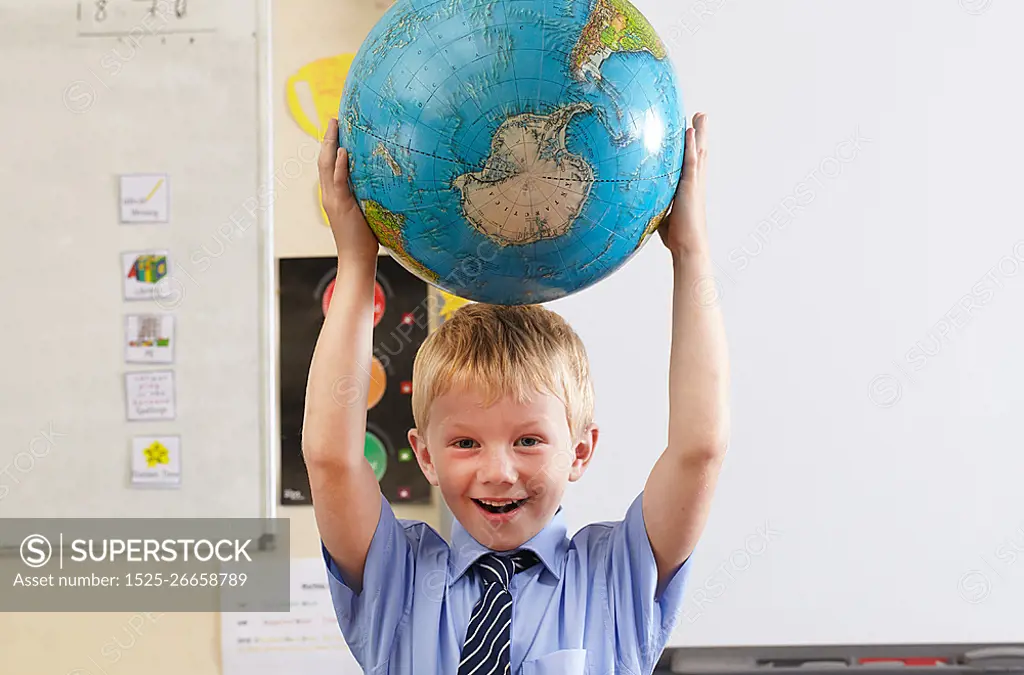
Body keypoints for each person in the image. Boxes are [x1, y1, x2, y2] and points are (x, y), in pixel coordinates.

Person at [303, 113, 729, 674]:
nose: (499, 471)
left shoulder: (612, 577)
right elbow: (331, 460)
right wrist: (356, 264)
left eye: (528, 440)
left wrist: (691, 253)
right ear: (424, 455)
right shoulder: (398, 579)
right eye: (464, 444)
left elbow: (698, 450)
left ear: (579, 451)